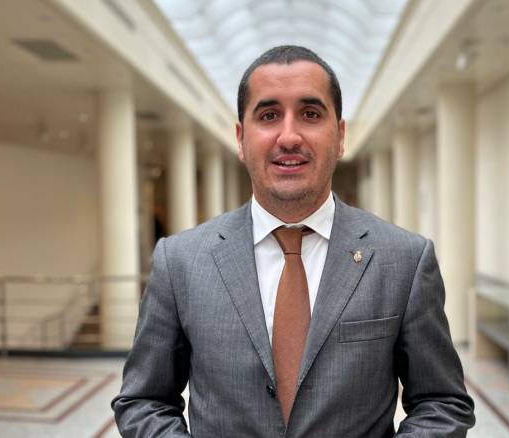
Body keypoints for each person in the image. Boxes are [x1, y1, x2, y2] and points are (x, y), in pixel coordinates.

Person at [112, 45, 475, 437]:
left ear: (340, 136)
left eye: (310, 114)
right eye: (268, 115)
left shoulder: (405, 260)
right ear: (241, 138)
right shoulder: (180, 261)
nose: (289, 136)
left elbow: (442, 403)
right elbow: (144, 401)